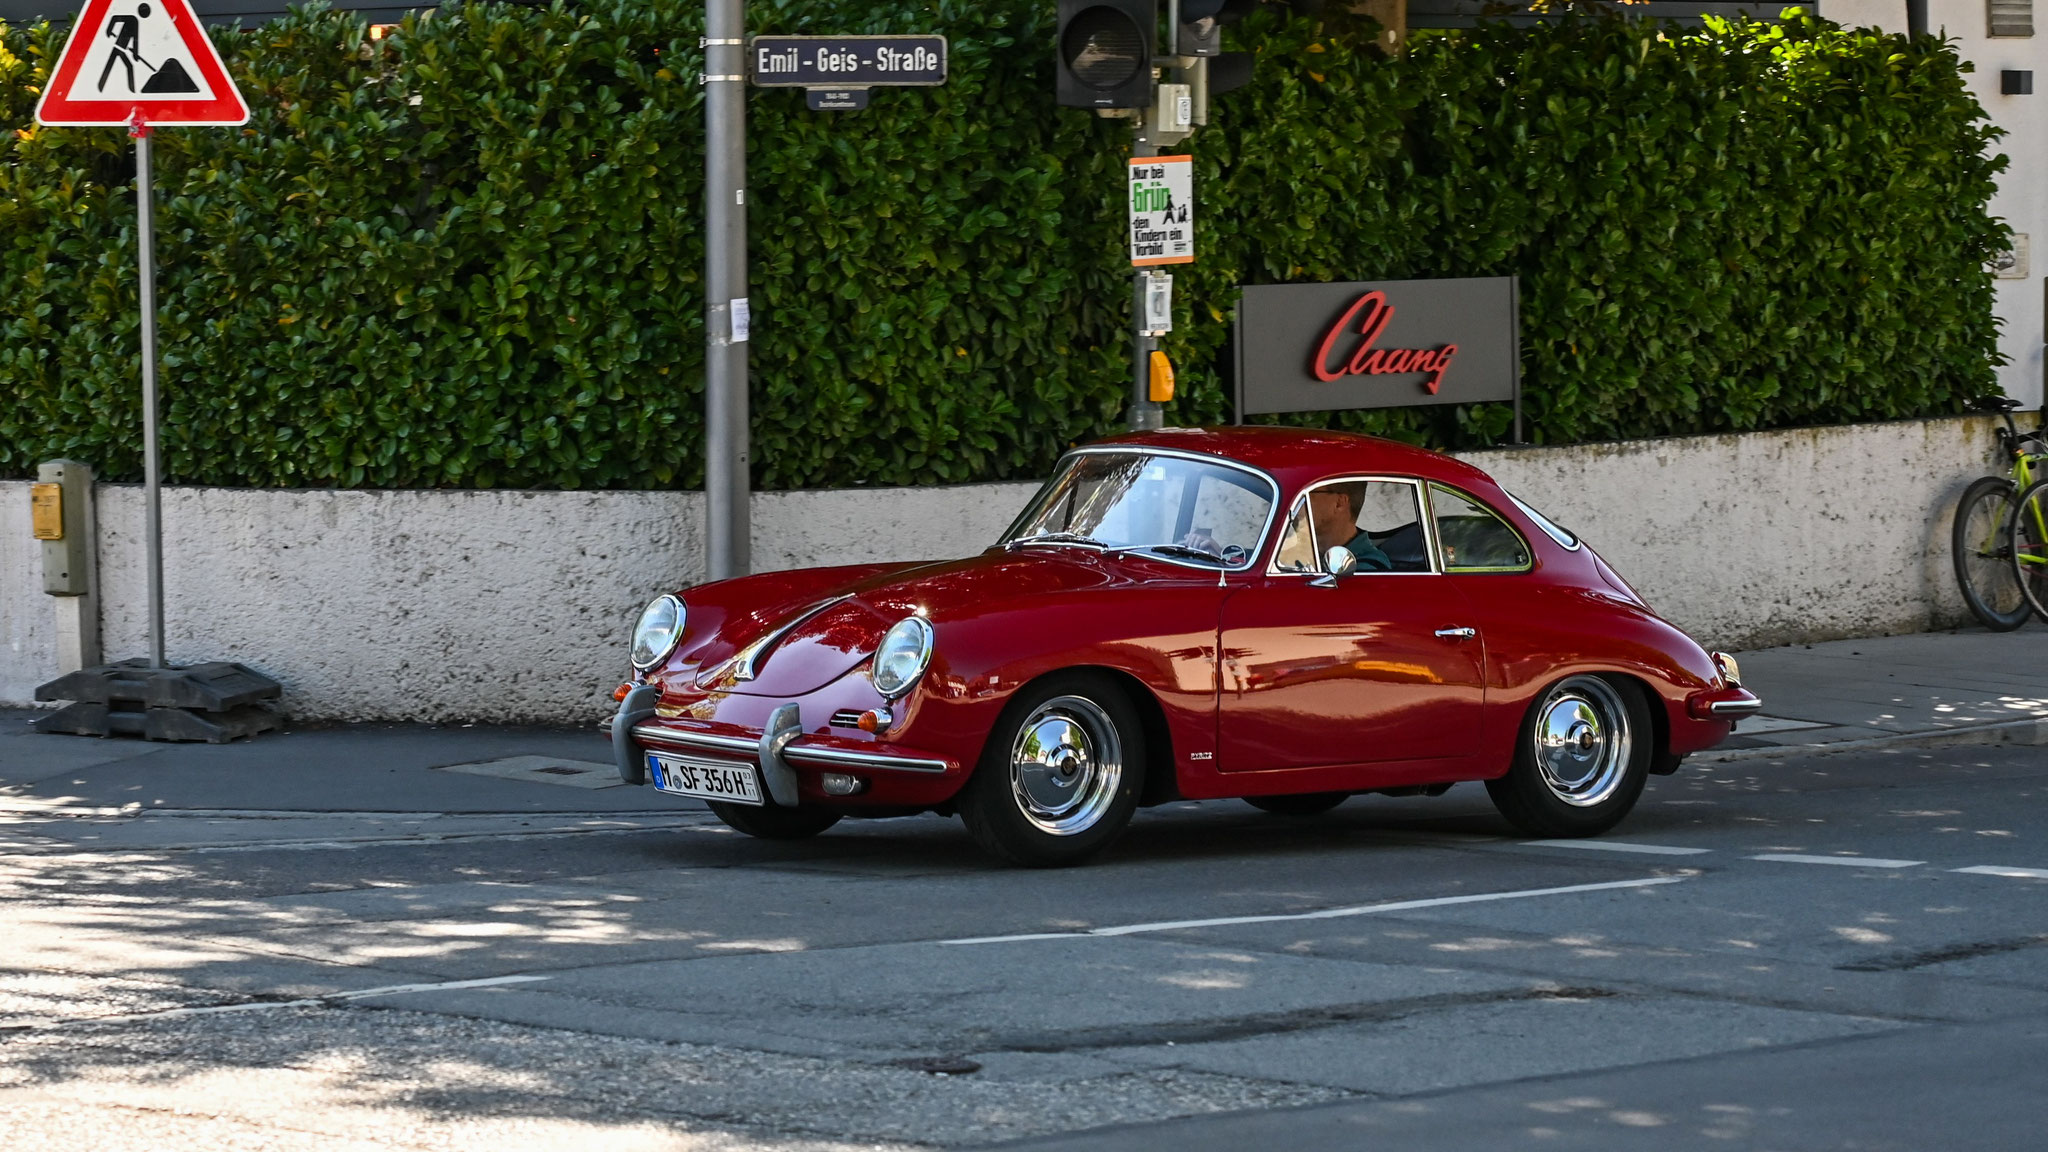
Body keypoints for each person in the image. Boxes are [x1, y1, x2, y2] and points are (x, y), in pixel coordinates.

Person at [1308, 482, 1392, 572]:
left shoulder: (1369, 568)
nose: (1303, 502)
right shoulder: (1307, 554)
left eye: (1310, 493)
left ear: (1339, 503)